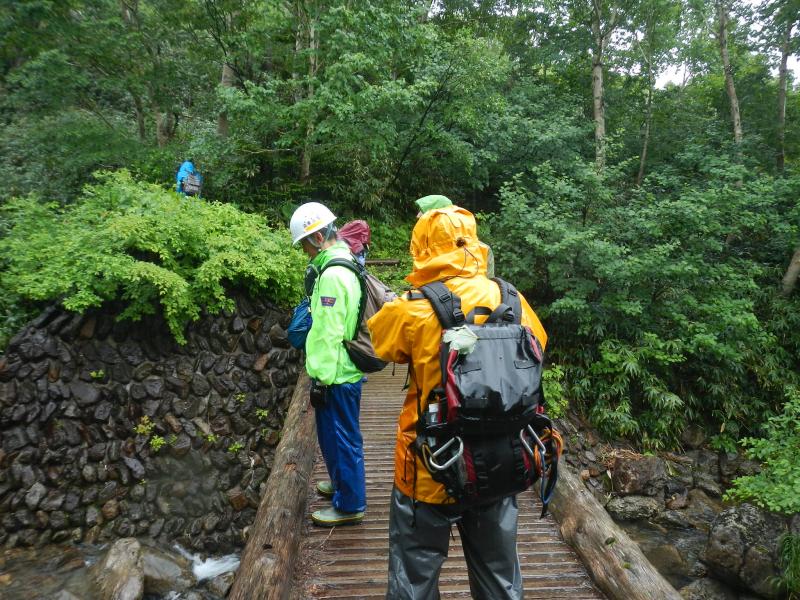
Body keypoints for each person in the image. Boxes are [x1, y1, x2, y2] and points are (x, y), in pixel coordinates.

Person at [367, 203, 548, 599]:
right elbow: (538, 345)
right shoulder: (511, 298)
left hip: (429, 466)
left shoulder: (414, 307)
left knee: (413, 580)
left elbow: (380, 344)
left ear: (423, 246)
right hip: (499, 462)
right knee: (499, 577)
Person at [288, 202, 367, 527]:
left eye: (305, 244)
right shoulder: (340, 261)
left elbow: (328, 333)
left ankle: (350, 504)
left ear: (319, 237)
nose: (304, 251)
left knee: (343, 438)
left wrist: (320, 377)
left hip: (338, 374)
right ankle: (340, 483)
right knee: (334, 437)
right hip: (340, 370)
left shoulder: (334, 274)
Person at [415, 194, 495, 278]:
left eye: (422, 212)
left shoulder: (483, 250)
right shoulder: (424, 249)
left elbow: (488, 284)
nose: (417, 215)